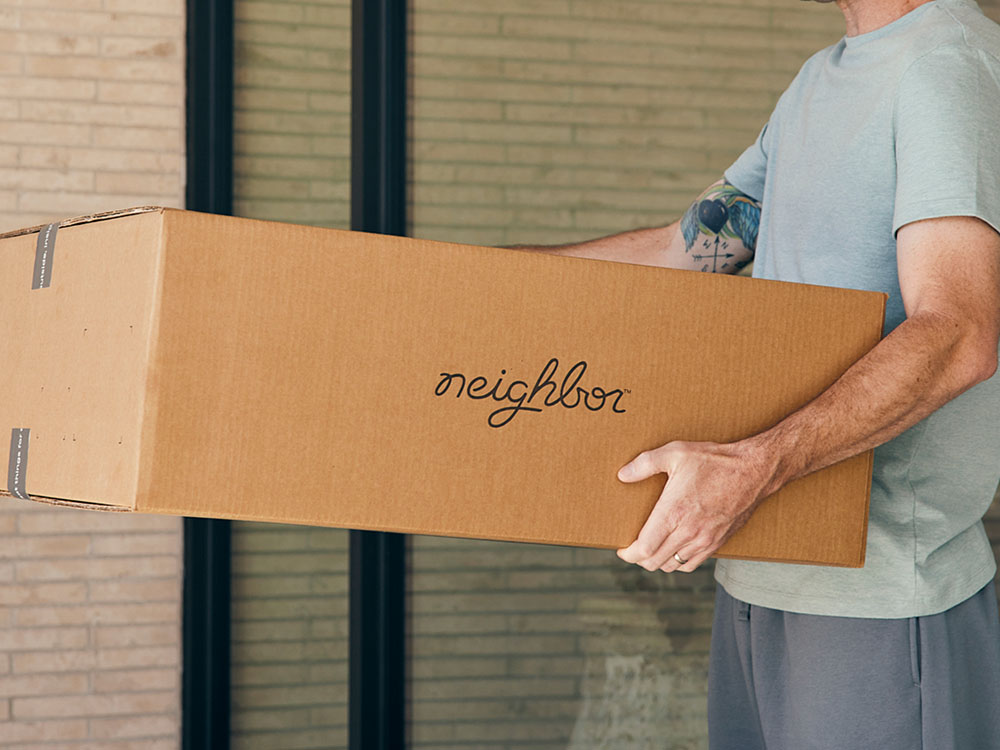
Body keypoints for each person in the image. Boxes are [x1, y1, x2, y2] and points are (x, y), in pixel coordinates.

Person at [515, 0, 1000, 747]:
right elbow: (686, 253)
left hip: (876, 597)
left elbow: (960, 331)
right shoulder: (818, 81)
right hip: (756, 565)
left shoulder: (946, 62)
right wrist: (456, 287)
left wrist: (753, 465)